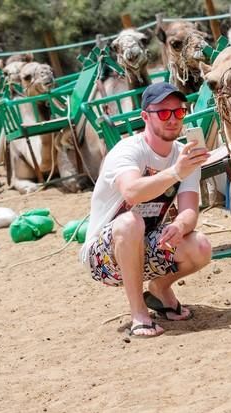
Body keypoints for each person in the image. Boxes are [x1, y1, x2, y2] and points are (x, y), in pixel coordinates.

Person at [80, 82, 213, 338]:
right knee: (130, 223)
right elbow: (131, 191)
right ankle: (139, 313)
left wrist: (180, 226)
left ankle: (160, 290)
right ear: (145, 117)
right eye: (163, 113)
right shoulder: (128, 150)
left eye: (179, 112)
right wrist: (175, 172)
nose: (172, 119)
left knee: (201, 246)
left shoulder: (183, 155)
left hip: (147, 246)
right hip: (103, 257)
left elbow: (189, 212)